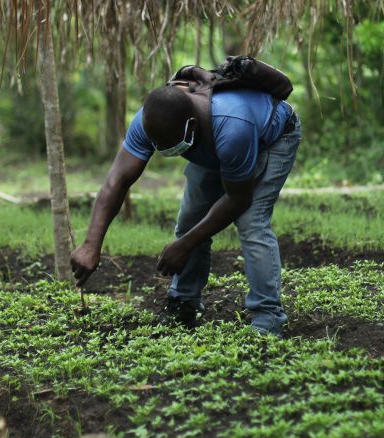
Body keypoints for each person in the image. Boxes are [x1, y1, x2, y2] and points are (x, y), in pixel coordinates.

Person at [69, 81, 301, 336]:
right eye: (158, 145)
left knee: (251, 221)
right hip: (210, 143)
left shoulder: (233, 127)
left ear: (190, 124)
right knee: (191, 218)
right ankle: (184, 301)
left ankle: (268, 315)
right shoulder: (150, 120)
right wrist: (91, 244)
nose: (164, 150)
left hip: (270, 136)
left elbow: (238, 199)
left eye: (170, 144)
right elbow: (117, 180)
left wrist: (185, 245)